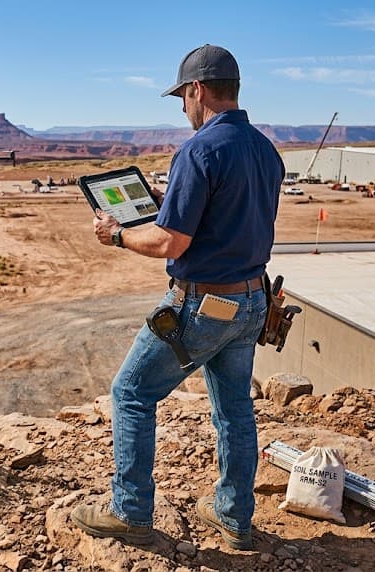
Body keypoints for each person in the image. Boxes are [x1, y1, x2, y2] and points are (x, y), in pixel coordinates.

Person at [70, 44, 284, 551]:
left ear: (197, 90)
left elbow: (171, 243)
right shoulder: (265, 149)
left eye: (182, 98)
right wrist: (175, 206)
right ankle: (234, 518)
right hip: (253, 301)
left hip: (205, 305)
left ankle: (130, 512)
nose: (183, 108)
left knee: (131, 394)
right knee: (234, 408)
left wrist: (117, 235)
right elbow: (231, 216)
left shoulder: (199, 150)